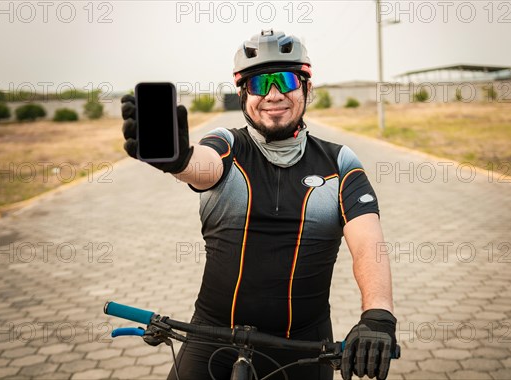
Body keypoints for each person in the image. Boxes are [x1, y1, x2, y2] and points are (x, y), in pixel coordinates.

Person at [121, 29, 397, 380]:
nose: (274, 94)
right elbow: (202, 166)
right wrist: (178, 160)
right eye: (257, 84)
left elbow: (368, 244)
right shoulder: (227, 144)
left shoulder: (339, 162)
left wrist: (378, 315)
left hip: (305, 347)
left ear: (307, 88)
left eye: (286, 79)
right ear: (242, 95)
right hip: (212, 337)